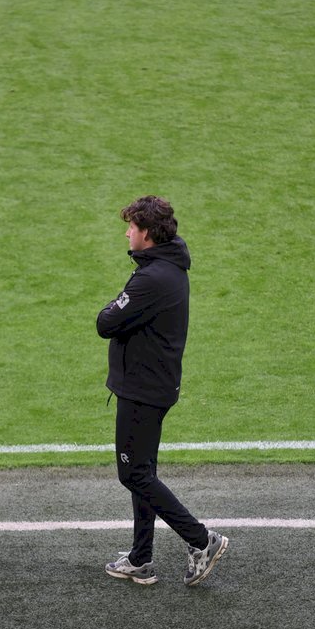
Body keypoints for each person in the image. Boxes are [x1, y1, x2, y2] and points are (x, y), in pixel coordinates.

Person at [96, 195, 228, 586]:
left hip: (142, 389)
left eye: (132, 227)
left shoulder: (152, 279)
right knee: (143, 471)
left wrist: (117, 310)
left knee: (133, 474)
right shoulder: (168, 268)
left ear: (148, 234)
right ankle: (141, 557)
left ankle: (201, 540)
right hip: (154, 385)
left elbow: (105, 322)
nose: (127, 233)